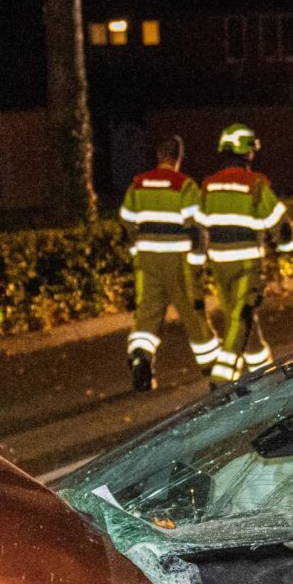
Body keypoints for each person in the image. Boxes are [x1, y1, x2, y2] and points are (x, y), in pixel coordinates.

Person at [117, 134, 220, 391]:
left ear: (159, 156)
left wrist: (134, 251)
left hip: (147, 260)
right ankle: (214, 367)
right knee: (193, 313)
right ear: (178, 158)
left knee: (147, 315)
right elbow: (199, 228)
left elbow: (126, 223)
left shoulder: (138, 185)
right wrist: (197, 262)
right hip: (178, 261)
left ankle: (141, 355)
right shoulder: (184, 186)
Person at [196, 124, 293, 378]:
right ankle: (222, 377)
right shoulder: (256, 185)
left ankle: (265, 376)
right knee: (242, 318)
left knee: (240, 322)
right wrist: (287, 247)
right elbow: (283, 229)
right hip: (247, 265)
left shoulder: (208, 186)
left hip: (219, 266)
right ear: (248, 152)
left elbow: (198, 229)